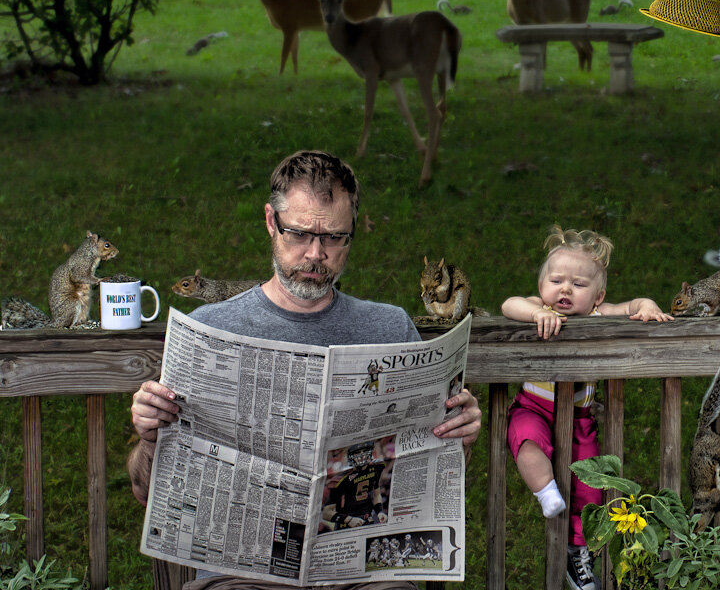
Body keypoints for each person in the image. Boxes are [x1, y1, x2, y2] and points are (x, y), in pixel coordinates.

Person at [128, 150, 481, 590]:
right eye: (300, 234)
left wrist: (459, 436)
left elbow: (432, 475)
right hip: (245, 577)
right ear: (271, 222)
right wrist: (149, 438)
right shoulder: (211, 330)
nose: (316, 254)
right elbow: (146, 491)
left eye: (335, 238)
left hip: (363, 576)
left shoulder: (389, 327)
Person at [500, 226, 672, 590]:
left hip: (579, 418)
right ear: (543, 285)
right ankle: (546, 492)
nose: (565, 289)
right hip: (534, 406)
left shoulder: (600, 315)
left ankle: (577, 551)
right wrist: (534, 315)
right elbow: (508, 304)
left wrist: (647, 307)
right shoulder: (540, 309)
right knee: (527, 444)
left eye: (578, 284)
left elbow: (633, 305)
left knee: (592, 486)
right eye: (556, 280)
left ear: (598, 297)